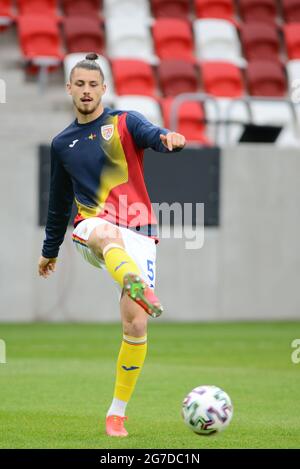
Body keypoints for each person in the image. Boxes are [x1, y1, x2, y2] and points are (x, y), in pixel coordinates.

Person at [38, 53, 186, 437]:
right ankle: (136, 282)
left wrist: (168, 139)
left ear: (104, 89)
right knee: (105, 234)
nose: (86, 91)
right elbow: (58, 202)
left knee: (136, 324)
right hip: (92, 228)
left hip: (139, 231)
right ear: (69, 88)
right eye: (79, 85)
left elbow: (153, 135)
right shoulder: (61, 143)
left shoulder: (124, 122)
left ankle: (116, 413)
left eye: (93, 85)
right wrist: (50, 250)